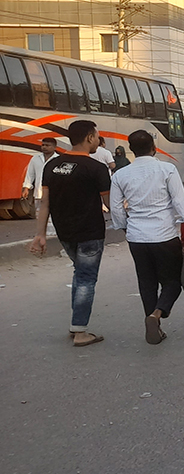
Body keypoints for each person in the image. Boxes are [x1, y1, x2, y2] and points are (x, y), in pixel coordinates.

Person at [110, 130, 184, 345]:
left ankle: (153, 323)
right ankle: (156, 315)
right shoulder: (167, 169)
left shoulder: (120, 175)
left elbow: (116, 208)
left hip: (137, 238)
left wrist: (125, 228)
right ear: (154, 148)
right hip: (165, 235)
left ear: (131, 150)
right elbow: (179, 199)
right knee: (173, 282)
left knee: (146, 283)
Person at [28, 120, 110, 347]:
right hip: (90, 232)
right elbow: (108, 202)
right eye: (96, 135)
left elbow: (45, 203)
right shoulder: (96, 168)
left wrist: (40, 234)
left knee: (79, 273)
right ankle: (81, 331)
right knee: (86, 278)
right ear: (90, 138)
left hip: (65, 232)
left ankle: (76, 325)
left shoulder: (52, 166)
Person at [21, 136, 58, 228]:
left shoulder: (58, 159)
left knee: (52, 214)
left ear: (54, 147)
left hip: (53, 193)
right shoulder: (35, 158)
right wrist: (26, 188)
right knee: (39, 214)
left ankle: (52, 236)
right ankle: (42, 233)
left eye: (47, 145)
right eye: (43, 145)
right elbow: (30, 174)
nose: (44, 147)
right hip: (38, 193)